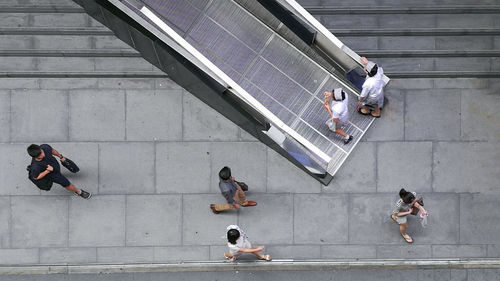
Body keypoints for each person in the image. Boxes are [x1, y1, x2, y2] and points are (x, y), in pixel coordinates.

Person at [27, 144, 91, 199]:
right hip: (52, 174)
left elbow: (52, 150)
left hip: (55, 165)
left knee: (59, 171)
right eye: (40, 155)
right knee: (66, 183)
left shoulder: (44, 147)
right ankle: (78, 191)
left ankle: (60, 173)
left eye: (42, 151)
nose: (43, 154)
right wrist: (47, 171)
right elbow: (36, 177)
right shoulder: (35, 167)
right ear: (35, 157)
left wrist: (60, 156)